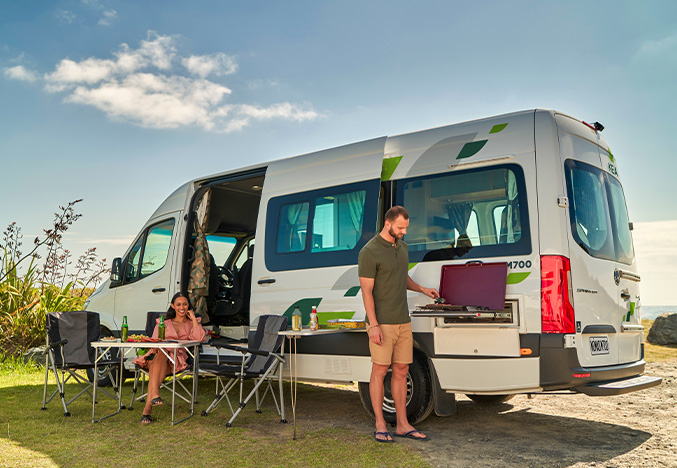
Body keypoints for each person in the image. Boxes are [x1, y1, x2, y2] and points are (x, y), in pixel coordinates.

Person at [358, 205, 439, 443]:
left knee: (402, 370)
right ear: (388, 224)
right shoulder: (369, 251)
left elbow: (401, 277)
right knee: (379, 371)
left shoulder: (402, 247)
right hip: (381, 323)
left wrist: (422, 289)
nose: (404, 232)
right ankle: (380, 424)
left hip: (403, 321)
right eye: (401, 228)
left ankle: (403, 424)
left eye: (406, 228)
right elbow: (367, 292)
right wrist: (373, 325)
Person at [133, 292, 207, 424]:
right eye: (178, 304)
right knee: (161, 353)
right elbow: (155, 341)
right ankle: (152, 399)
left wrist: (194, 319)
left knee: (156, 370)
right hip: (155, 356)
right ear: (173, 306)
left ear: (189, 306)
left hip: (175, 360)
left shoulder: (192, 323)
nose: (182, 307)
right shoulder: (163, 323)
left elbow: (199, 339)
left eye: (185, 304)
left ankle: (148, 409)